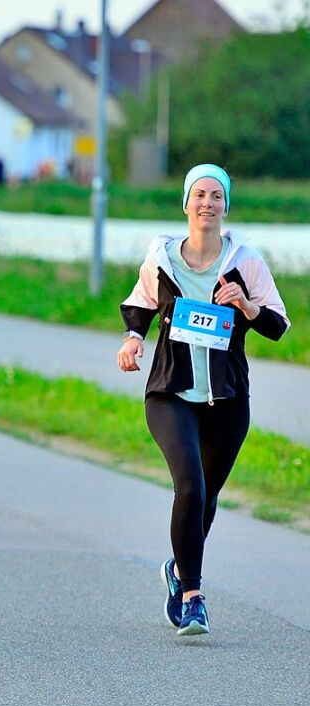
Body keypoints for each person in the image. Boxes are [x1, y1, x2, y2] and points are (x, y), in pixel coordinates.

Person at [117, 163, 289, 637]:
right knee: (189, 487)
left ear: (226, 206)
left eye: (216, 196)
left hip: (228, 397)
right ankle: (192, 596)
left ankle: (177, 568)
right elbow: (140, 304)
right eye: (199, 195)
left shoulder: (245, 261)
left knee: (206, 497)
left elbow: (277, 324)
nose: (207, 203)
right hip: (171, 392)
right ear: (186, 203)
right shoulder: (162, 257)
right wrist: (133, 339)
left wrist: (247, 307)